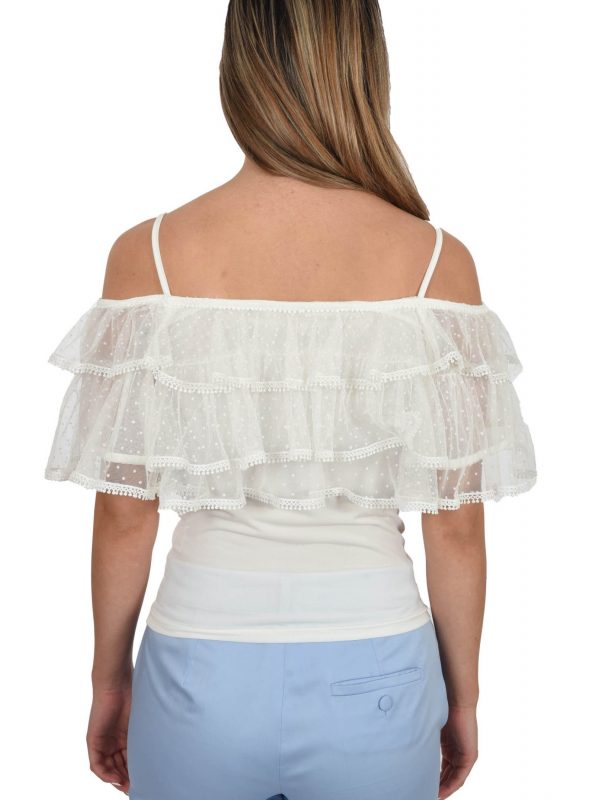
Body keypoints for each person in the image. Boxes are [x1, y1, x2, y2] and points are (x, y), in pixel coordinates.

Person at [44, 2, 537, 799]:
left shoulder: (151, 256)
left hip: (198, 668)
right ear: (365, 69)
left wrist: (108, 681)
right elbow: (456, 526)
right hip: (376, 668)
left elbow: (125, 513)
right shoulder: (435, 264)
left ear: (237, 70)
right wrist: (465, 699)